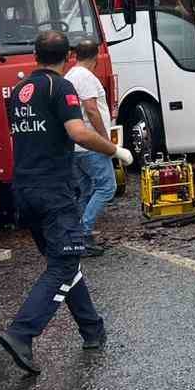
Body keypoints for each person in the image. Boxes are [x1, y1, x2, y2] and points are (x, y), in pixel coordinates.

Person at [0, 30, 134, 375]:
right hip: (54, 191)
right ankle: (22, 332)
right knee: (63, 264)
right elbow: (78, 132)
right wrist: (114, 149)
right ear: (67, 56)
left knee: (66, 261)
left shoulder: (20, 90)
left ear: (35, 53)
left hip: (25, 189)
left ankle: (92, 329)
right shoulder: (59, 87)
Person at [65, 38, 118, 252]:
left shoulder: (69, 76)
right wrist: (105, 141)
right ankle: (84, 233)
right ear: (96, 57)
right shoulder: (84, 77)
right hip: (90, 145)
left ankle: (75, 236)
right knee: (107, 187)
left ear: (76, 55)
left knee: (86, 191)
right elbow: (92, 109)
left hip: (76, 146)